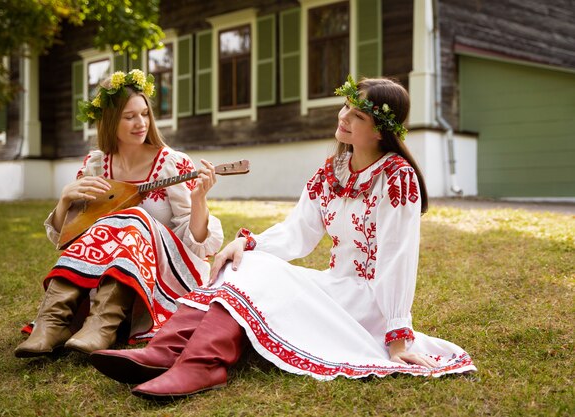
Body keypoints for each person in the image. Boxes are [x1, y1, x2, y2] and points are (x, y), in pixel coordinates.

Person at [89, 75, 476, 398]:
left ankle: (201, 366)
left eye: (356, 115)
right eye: (346, 107)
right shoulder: (334, 171)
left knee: (253, 273)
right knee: (245, 261)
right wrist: (247, 243)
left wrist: (397, 338)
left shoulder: (396, 178)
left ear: (379, 131)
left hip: (365, 301)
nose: (343, 118)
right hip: (333, 285)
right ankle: (165, 352)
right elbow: (298, 233)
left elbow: (397, 258)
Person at [14, 69, 223, 357]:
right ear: (111, 121)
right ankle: (52, 323)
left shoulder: (172, 163)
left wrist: (199, 200)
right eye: (129, 116)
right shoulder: (96, 165)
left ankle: (103, 325)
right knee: (109, 223)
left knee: (133, 217)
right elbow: (71, 237)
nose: (141, 123)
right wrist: (64, 200)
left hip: (166, 273)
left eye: (145, 114)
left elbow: (197, 244)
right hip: (106, 272)